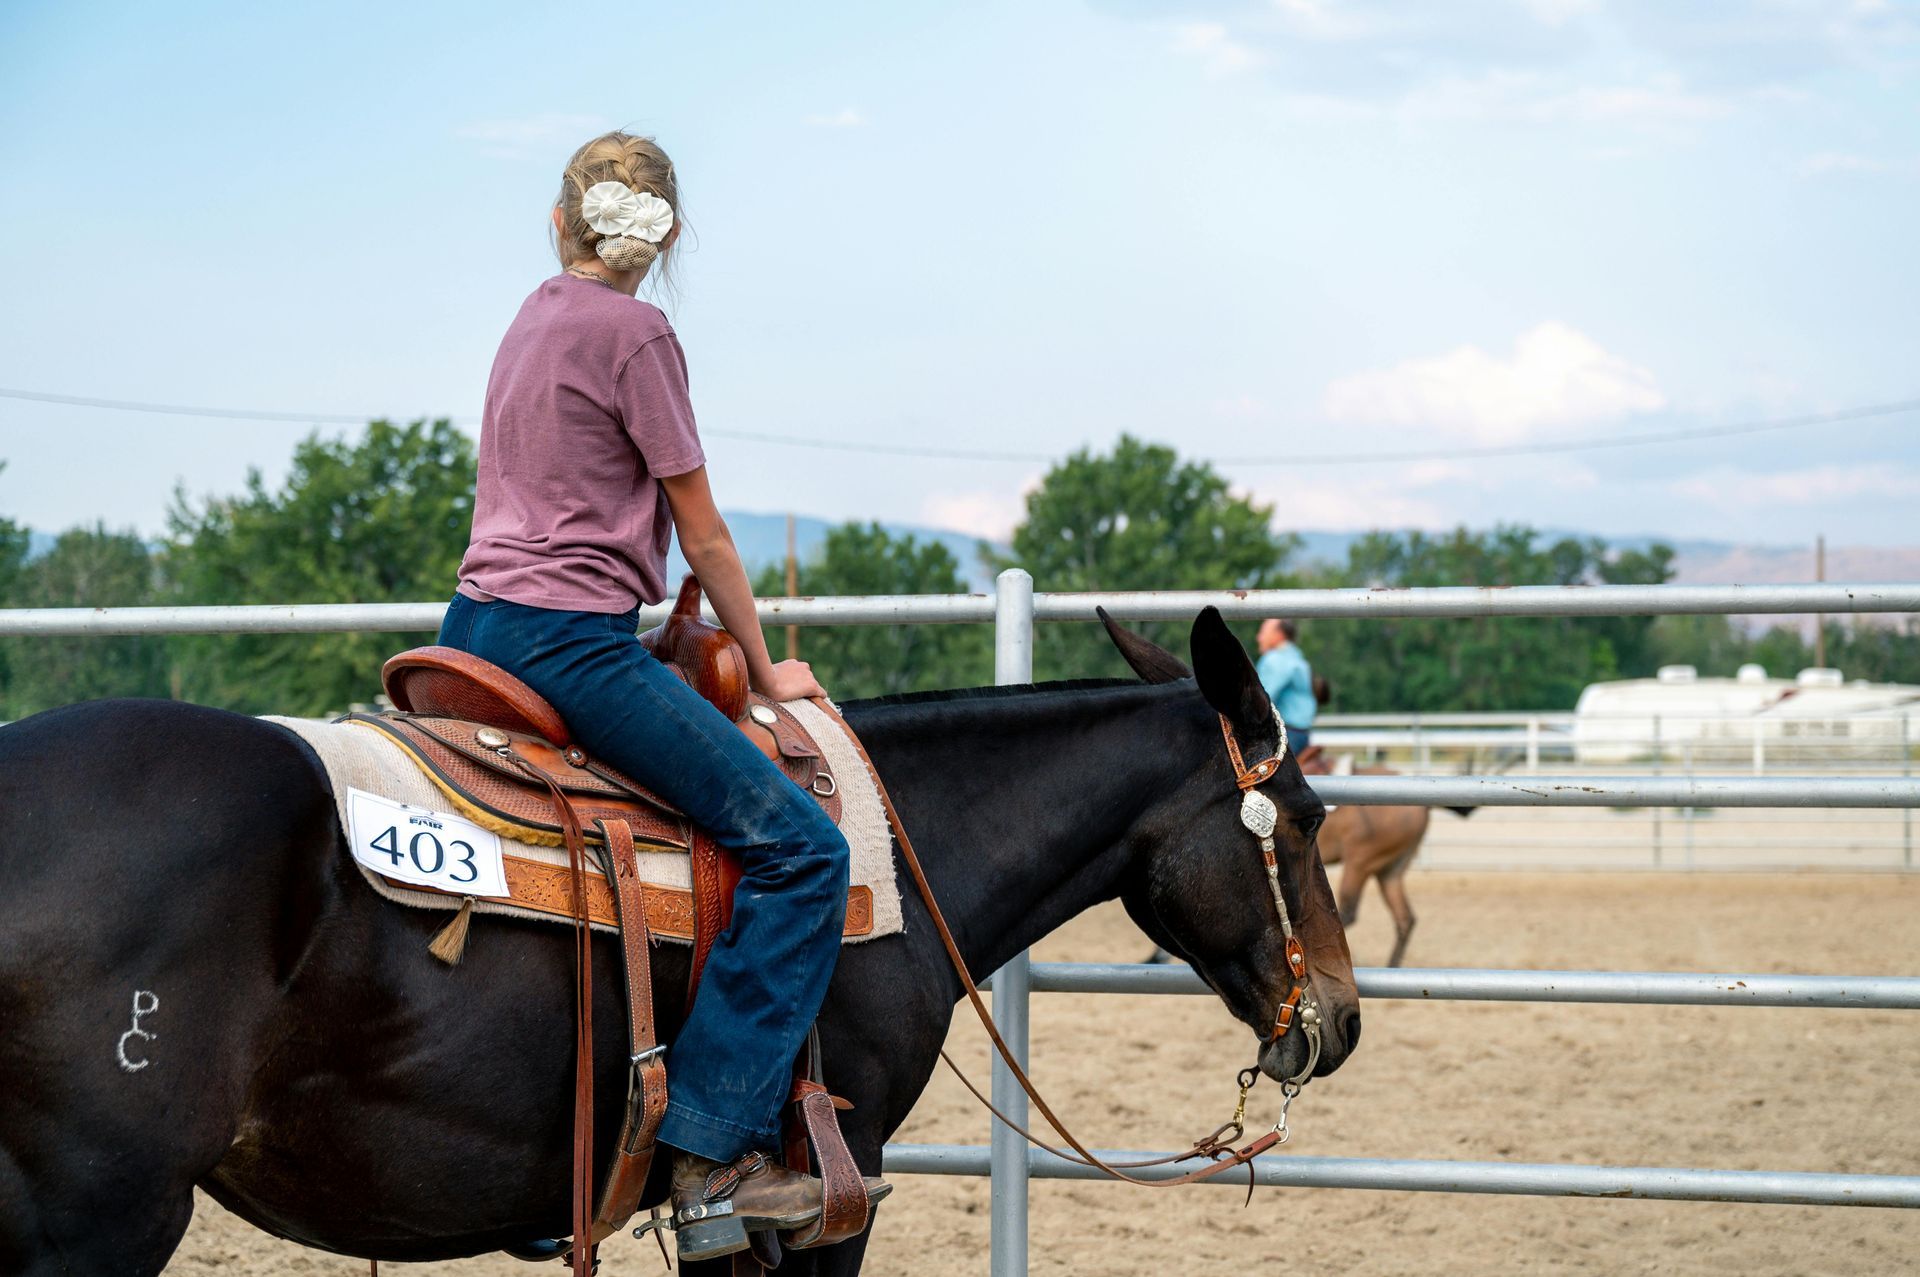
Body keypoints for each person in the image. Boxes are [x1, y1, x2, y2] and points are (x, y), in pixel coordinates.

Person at [438, 131, 885, 1257]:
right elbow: (704, 528)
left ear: (560, 220)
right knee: (802, 852)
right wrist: (769, 659)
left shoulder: (532, 313)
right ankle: (713, 1144)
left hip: (473, 627)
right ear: (666, 234)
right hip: (571, 645)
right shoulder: (640, 333)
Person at [1255, 617, 1316, 752]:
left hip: (1284, 734)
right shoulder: (1297, 658)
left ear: (1279, 634)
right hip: (1300, 734)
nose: (1259, 638)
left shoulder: (1275, 659)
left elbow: (1261, 700)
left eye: (1263, 632)